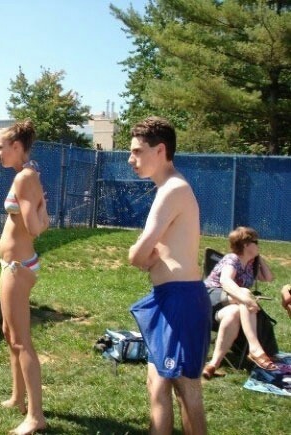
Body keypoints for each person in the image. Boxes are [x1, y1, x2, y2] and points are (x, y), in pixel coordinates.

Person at [127, 116, 210, 435]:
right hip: (170, 297)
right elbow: (148, 254)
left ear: (160, 150)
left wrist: (142, 255)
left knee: (186, 389)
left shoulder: (173, 190)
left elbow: (138, 255)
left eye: (137, 151)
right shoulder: (168, 188)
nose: (131, 159)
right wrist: (147, 255)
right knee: (157, 383)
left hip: (181, 299)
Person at [0, 120, 49, 435]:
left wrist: (39, 214)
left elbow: (36, 227)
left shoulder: (25, 178)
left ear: (17, 146)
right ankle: (18, 396)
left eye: (1, 146)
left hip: (18, 267)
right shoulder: (27, 175)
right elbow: (38, 219)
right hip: (13, 263)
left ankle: (35, 416)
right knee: (8, 332)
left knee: (21, 340)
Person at [202, 227, 276, 377]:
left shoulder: (249, 264)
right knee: (244, 293)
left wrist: (258, 258)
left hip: (229, 307)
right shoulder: (232, 259)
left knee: (234, 313)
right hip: (209, 299)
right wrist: (246, 299)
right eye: (256, 242)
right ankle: (254, 348)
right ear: (246, 244)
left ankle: (213, 365)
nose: (258, 245)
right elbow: (225, 281)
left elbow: (268, 278)